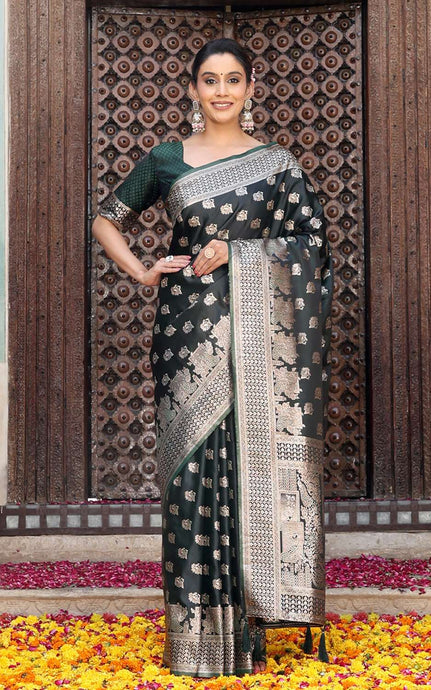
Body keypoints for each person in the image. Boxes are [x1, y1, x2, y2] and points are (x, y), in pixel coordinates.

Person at [92, 37, 333, 678]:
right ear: (194, 89)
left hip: (260, 342)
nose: (221, 91)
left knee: (250, 464)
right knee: (192, 475)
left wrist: (239, 252)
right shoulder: (166, 159)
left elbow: (312, 245)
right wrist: (143, 271)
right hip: (186, 335)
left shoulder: (277, 166)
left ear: (250, 89)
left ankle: (254, 620)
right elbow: (106, 219)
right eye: (210, 80)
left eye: (232, 80)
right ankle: (197, 638)